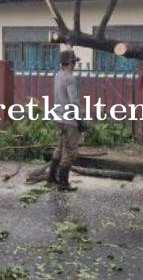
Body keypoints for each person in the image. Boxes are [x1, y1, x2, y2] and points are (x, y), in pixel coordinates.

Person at [49, 49, 83, 191]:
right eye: (74, 62)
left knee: (60, 147)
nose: (75, 65)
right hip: (69, 119)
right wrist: (79, 120)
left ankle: (52, 177)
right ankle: (63, 183)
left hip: (58, 117)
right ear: (70, 63)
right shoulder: (70, 78)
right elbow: (73, 101)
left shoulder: (58, 75)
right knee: (69, 151)